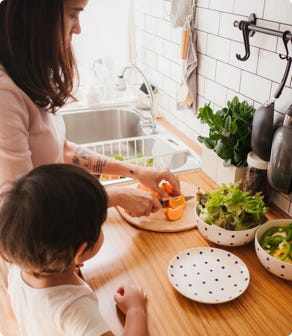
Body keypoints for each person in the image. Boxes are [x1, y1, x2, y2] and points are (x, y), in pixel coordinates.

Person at [0, 0, 180, 334]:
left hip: (46, 265)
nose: (78, 28)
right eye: (73, 14)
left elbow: (60, 149)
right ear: (37, 15)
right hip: (38, 250)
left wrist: (135, 172)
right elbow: (24, 209)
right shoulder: (3, 94)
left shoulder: (28, 73)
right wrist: (115, 199)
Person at [0, 163, 148, 336]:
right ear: (80, 252)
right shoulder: (76, 309)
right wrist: (135, 310)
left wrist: (66, 268)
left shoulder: (18, 269)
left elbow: (13, 311)